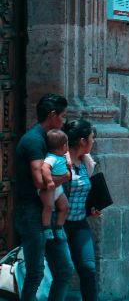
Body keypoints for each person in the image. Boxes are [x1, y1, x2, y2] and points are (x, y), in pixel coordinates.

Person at [13, 93, 74, 301]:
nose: (64, 121)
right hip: (32, 213)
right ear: (53, 115)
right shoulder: (33, 140)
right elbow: (40, 181)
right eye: (63, 116)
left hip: (49, 212)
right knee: (35, 272)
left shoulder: (49, 140)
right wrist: (65, 176)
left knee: (64, 270)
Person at [62, 119, 104, 301]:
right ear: (82, 141)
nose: (93, 141)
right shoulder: (61, 164)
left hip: (79, 223)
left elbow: (84, 194)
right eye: (91, 138)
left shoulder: (87, 164)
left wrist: (91, 209)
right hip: (60, 225)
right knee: (61, 272)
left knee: (88, 268)